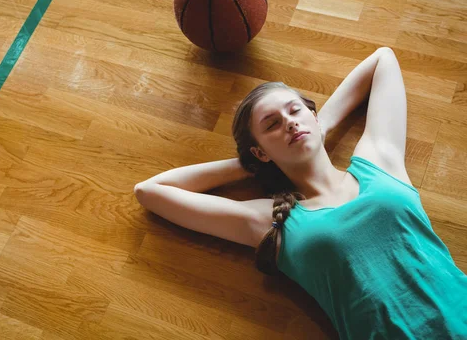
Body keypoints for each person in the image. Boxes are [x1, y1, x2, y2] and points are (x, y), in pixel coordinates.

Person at [134, 47, 467, 339]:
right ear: (260, 151)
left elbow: (383, 60)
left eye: (294, 110)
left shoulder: (378, 162)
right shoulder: (275, 222)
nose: (290, 123)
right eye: (272, 125)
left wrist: (321, 127)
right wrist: (251, 164)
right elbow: (150, 190)